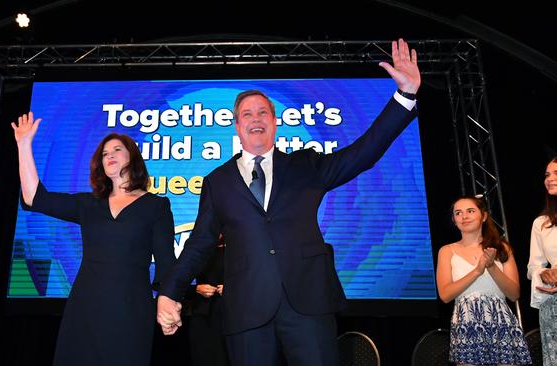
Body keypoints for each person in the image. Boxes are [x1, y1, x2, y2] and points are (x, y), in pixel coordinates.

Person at [157, 38, 421, 366]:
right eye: (247, 114)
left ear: (274, 121)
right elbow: (200, 243)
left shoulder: (305, 166)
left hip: (308, 302)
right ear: (237, 126)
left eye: (264, 112)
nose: (256, 118)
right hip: (247, 308)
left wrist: (405, 96)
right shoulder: (217, 181)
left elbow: (362, 153)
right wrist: (170, 291)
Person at [11, 113, 176, 366]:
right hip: (85, 307)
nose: (109, 155)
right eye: (104, 153)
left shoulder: (156, 205)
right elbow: (35, 198)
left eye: (117, 150)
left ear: (132, 156)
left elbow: (166, 261)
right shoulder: (88, 204)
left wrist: (168, 300)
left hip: (130, 308)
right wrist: (24, 145)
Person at [436, 195, 531, 366]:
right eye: (458, 213)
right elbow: (445, 294)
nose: (464, 216)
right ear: (454, 219)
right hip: (467, 323)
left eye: (470, 211)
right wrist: (478, 270)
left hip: (501, 322)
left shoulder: (502, 247)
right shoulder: (447, 251)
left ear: (484, 216)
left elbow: (514, 294)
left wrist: (491, 267)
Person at [527, 156, 557, 365]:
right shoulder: (541, 223)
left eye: (556, 173)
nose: (550, 179)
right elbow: (533, 267)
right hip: (553, 304)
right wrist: (543, 274)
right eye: (547, 174)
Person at [187, 235, 228, 366]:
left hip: (235, 314)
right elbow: (176, 283)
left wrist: (234, 287)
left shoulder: (241, 246)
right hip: (204, 315)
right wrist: (197, 289)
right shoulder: (197, 248)